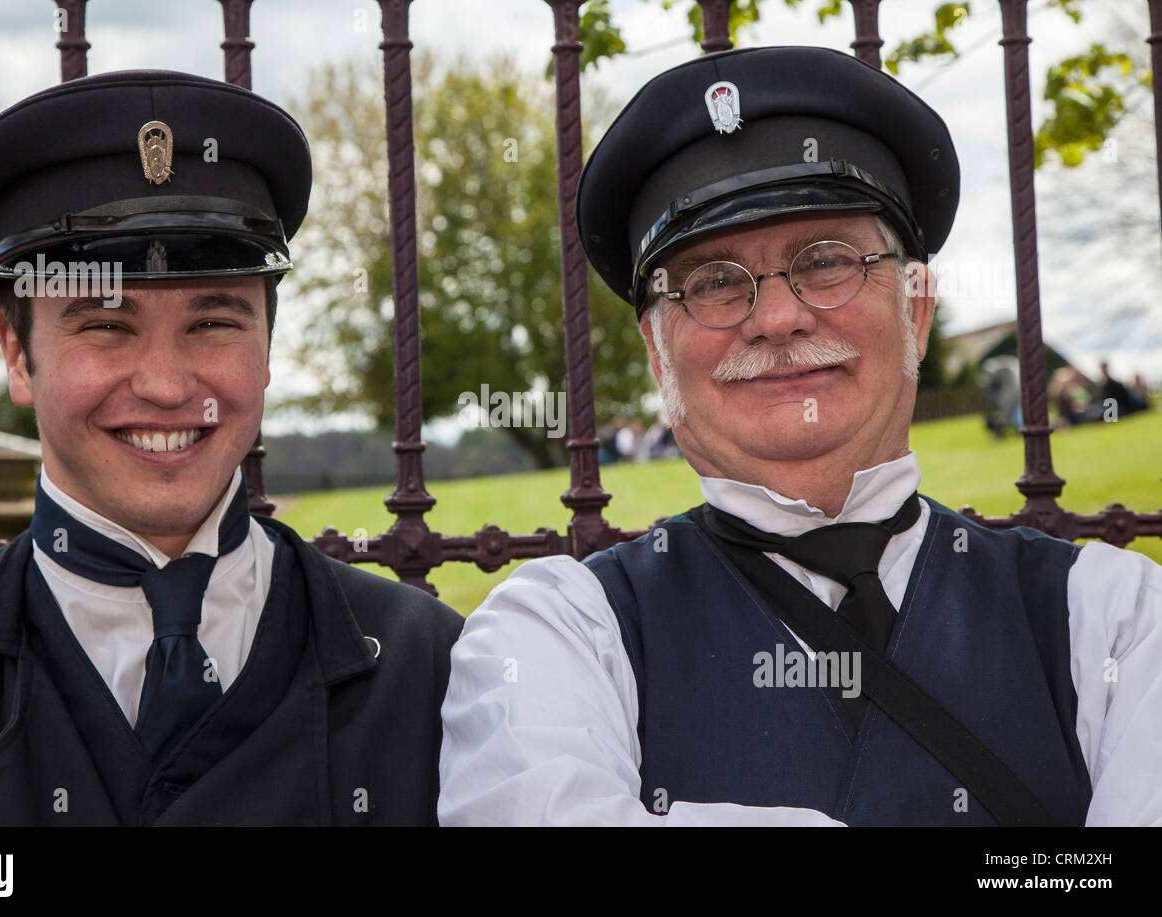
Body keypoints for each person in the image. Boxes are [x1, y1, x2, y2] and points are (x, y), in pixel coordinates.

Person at [438, 47, 1162, 826]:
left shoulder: (1115, 615)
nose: (777, 318)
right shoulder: (561, 630)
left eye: (827, 261)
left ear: (914, 309)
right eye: (714, 281)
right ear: (657, 353)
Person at [0, 70, 462, 826]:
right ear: (17, 351)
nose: (168, 385)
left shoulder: (431, 669)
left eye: (213, 322)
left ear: (268, 346)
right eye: (107, 326)